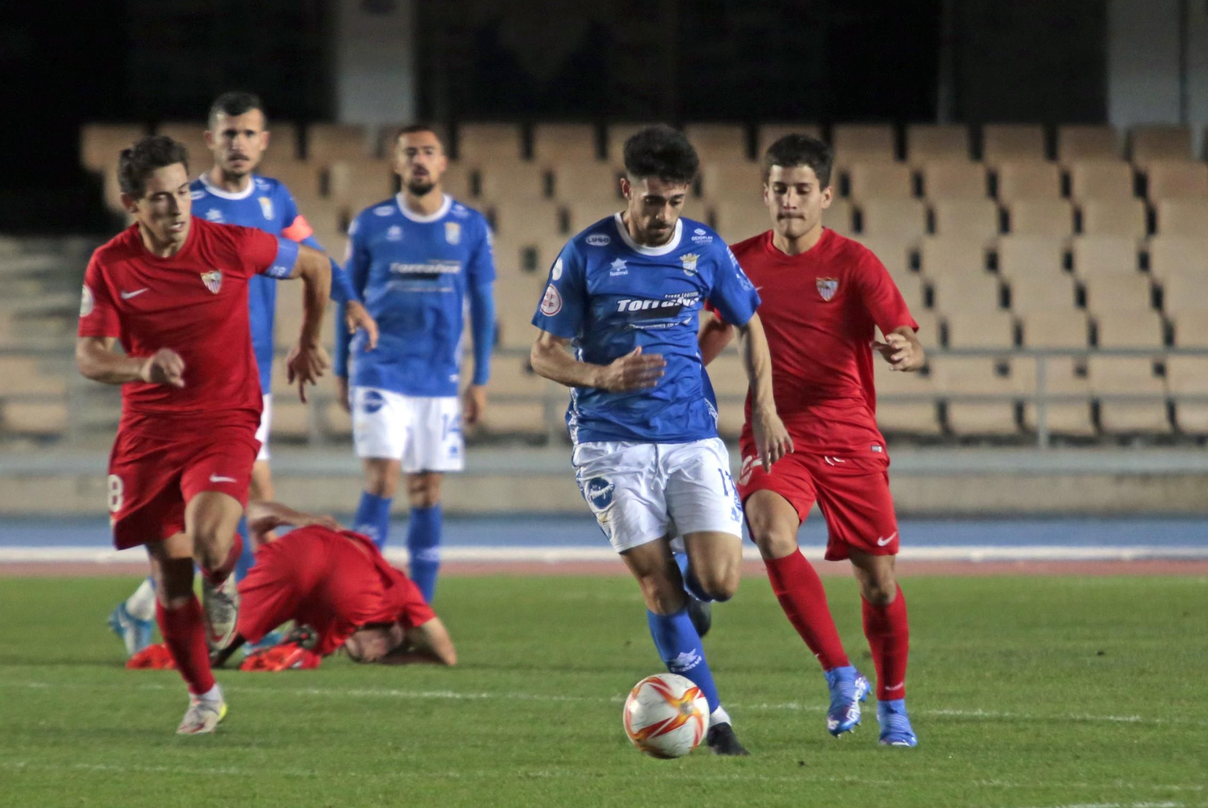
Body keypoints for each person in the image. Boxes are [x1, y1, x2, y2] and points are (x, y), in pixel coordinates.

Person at [529, 125, 791, 756]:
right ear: (627, 189)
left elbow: (748, 321)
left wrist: (767, 408)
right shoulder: (586, 252)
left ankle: (683, 596)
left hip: (689, 436)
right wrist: (601, 376)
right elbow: (543, 353)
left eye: (675, 201)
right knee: (657, 586)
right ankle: (718, 720)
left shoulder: (703, 248)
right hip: (608, 442)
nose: (663, 215)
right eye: (652, 201)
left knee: (720, 582)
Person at [77, 135, 333, 734]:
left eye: (184, 192)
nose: (177, 208)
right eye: (160, 200)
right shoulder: (111, 265)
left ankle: (222, 582)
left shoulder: (231, 244)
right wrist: (141, 366)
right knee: (169, 576)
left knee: (211, 543)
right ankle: (204, 695)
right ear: (131, 204)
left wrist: (308, 340)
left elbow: (316, 264)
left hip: (224, 419)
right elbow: (90, 357)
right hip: (148, 434)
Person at [106, 92, 376, 659]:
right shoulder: (186, 201)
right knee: (240, 507)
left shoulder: (275, 199)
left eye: (249, 134)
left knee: (239, 508)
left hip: (249, 380)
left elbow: (314, 255)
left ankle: (169, 606)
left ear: (264, 141)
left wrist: (348, 305)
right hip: (195, 385)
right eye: (228, 134)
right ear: (211, 141)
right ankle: (238, 611)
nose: (238, 144)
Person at [699, 135, 924, 746]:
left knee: (877, 582)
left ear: (825, 195)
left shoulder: (854, 263)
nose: (789, 201)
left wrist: (905, 348)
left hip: (849, 430)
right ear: (764, 194)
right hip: (774, 428)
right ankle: (840, 673)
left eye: (802, 190)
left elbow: (904, 332)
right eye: (779, 189)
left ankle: (894, 707)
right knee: (770, 531)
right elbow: (710, 337)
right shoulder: (738, 262)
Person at [336, 126, 495, 605]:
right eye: (410, 153)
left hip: (438, 377)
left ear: (443, 162)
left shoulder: (468, 225)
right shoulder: (370, 224)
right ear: (396, 163)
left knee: (426, 489)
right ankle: (360, 603)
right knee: (383, 478)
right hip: (379, 367)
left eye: (428, 152)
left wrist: (480, 378)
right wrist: (342, 372)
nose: (420, 160)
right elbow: (347, 298)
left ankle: (418, 611)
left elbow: (484, 305)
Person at [203, 500, 456, 669]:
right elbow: (448, 655)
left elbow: (255, 510)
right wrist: (404, 658)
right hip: (355, 586)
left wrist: (301, 519)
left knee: (215, 648)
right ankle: (294, 653)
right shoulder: (401, 590)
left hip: (302, 549)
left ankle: (285, 650)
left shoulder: (272, 552)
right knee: (313, 648)